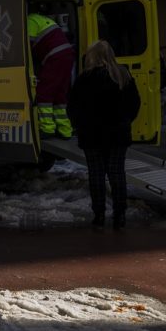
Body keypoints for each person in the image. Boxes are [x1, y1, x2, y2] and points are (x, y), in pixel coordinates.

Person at [68, 40, 140, 231]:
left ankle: (98, 214)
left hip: (91, 135)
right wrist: (125, 122)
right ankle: (120, 214)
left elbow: (73, 107)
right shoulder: (122, 75)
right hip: (117, 134)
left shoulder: (84, 78)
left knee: (96, 174)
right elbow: (134, 103)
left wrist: (79, 126)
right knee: (117, 173)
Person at [27, 8, 75, 140]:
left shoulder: (29, 21)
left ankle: (47, 128)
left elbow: (26, 49)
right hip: (67, 56)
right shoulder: (42, 19)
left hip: (55, 57)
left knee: (44, 93)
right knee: (59, 95)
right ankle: (65, 130)